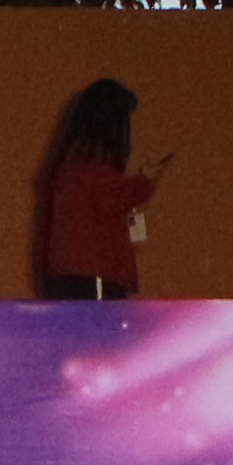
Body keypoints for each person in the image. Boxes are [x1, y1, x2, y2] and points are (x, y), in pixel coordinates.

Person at [33, 77, 165, 299]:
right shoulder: (95, 171)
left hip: (61, 277)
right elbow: (118, 196)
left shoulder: (65, 170)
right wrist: (146, 181)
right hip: (96, 276)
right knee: (102, 320)